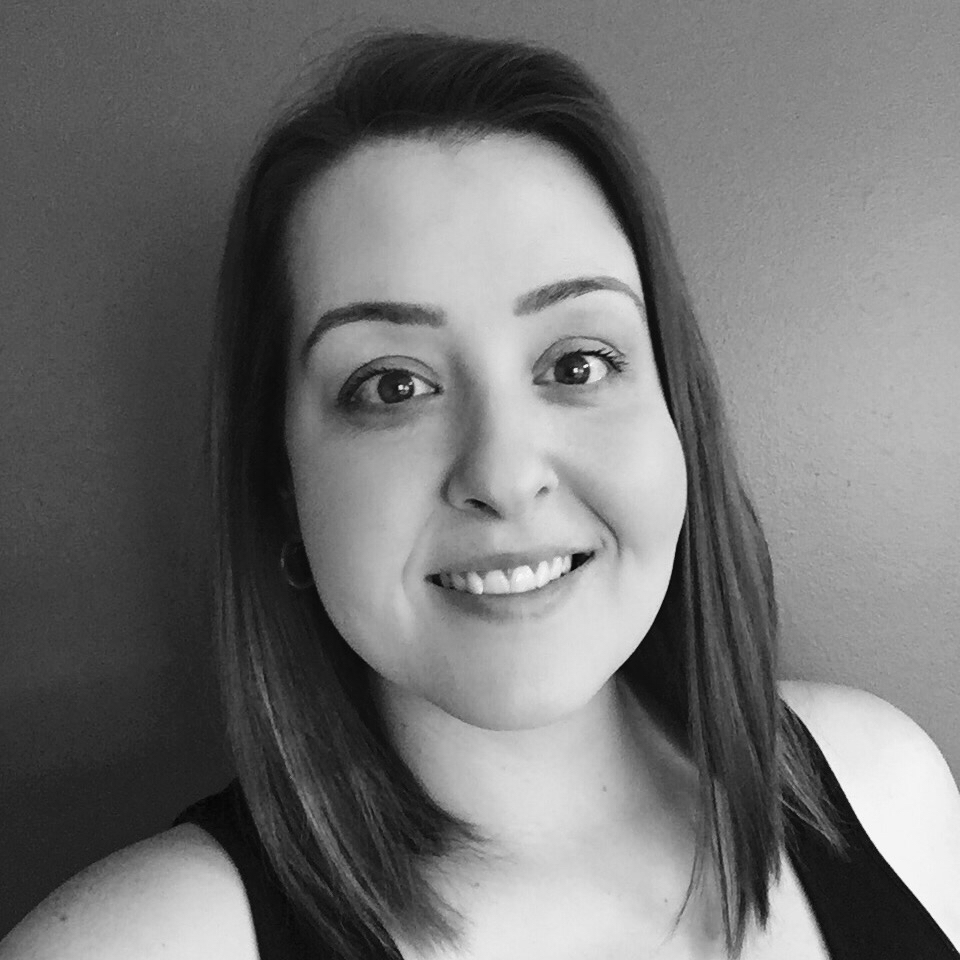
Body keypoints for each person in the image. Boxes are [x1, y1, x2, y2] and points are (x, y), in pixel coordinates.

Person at [3, 28, 959, 960]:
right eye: (392, 386)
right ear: (282, 485)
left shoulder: (888, 788)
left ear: (678, 420)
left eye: (578, 363)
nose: (503, 475)